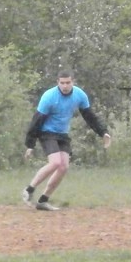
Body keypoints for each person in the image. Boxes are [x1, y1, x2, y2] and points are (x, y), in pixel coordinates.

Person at [22, 71, 111, 211]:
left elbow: (90, 116)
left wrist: (103, 132)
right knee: (55, 162)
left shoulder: (80, 95)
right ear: (57, 82)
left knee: (63, 167)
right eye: (62, 83)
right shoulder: (49, 96)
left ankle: (43, 201)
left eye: (68, 83)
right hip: (47, 132)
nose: (65, 86)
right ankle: (29, 190)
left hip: (62, 134)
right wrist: (30, 144)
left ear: (73, 82)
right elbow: (37, 120)